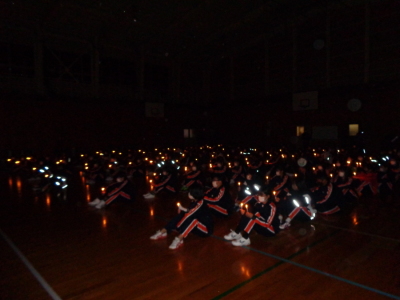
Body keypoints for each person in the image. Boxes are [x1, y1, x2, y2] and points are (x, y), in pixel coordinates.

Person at [149, 185, 213, 249]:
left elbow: (190, 214)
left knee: (193, 220)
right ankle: (164, 231)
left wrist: (178, 225)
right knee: (181, 215)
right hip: (195, 227)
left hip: (205, 230)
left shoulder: (201, 203)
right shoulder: (194, 201)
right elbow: (189, 211)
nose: (188, 194)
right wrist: (182, 210)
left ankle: (179, 239)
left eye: (190, 193)